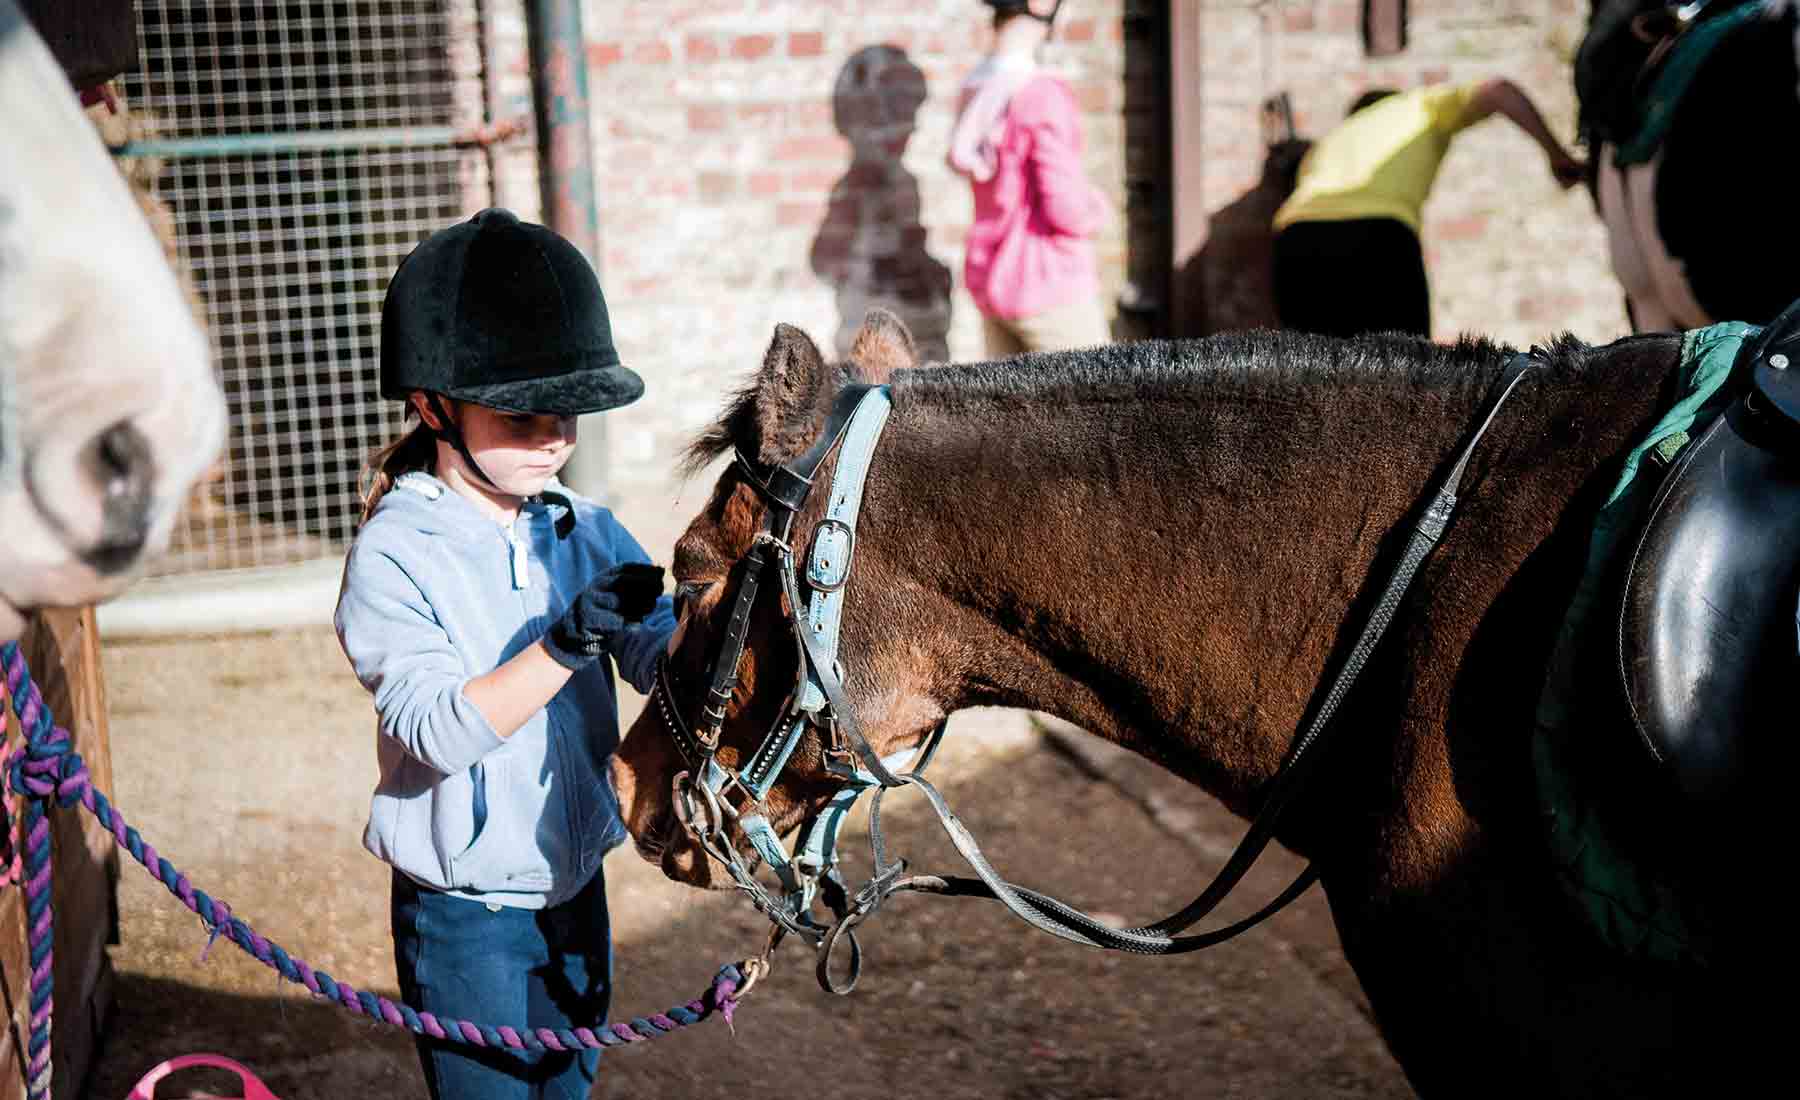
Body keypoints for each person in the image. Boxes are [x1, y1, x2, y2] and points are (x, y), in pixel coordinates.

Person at [334, 207, 676, 1100]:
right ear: (431, 406)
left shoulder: (588, 528)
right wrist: (565, 642)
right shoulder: (394, 552)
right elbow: (436, 734)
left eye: (564, 409)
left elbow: (662, 661)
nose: (554, 437)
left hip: (577, 894)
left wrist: (735, 612)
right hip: (465, 917)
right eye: (521, 416)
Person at [1271, 80, 1586, 339]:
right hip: (1374, 237)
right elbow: (1499, 90)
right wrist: (1557, 154)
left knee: (1313, 376)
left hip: (1296, 240)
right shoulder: (1419, 105)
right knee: (1409, 374)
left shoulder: (1330, 142)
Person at [949, 0, 1112, 356]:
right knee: (1101, 408)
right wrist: (1099, 208)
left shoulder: (974, 88)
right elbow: (1066, 209)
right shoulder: (1042, 94)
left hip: (991, 281)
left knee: (1008, 412)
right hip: (1051, 287)